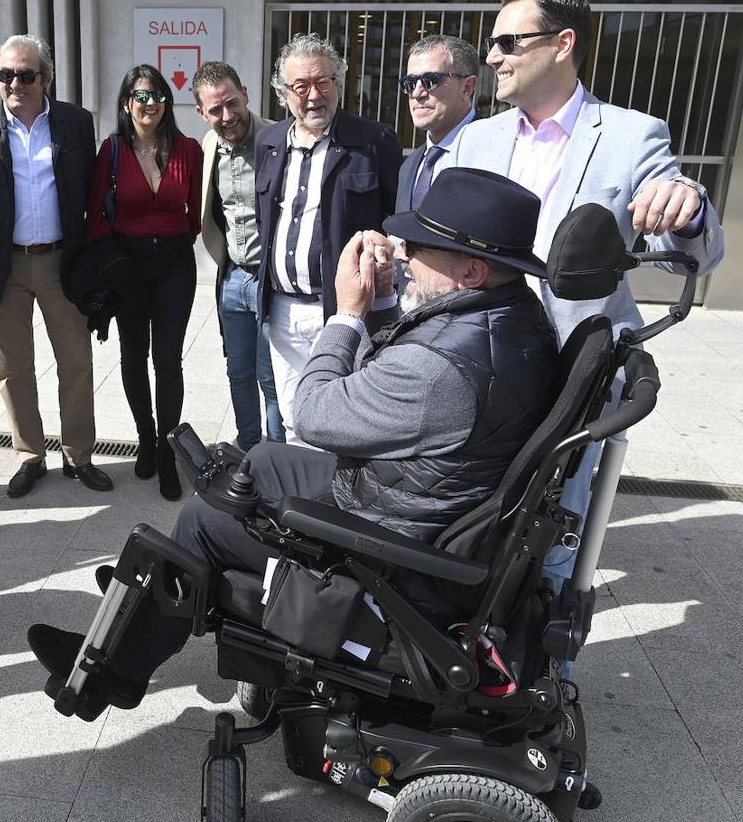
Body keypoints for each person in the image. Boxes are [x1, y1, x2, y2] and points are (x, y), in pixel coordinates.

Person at [29, 167, 562, 713]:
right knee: (256, 462)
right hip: (414, 503)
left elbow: (310, 411)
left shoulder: (441, 369)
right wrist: (381, 305)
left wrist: (349, 313)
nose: (405, 255)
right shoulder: (512, 318)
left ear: (471, 271)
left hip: (398, 549)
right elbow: (393, 384)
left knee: (204, 522)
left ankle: (117, 672)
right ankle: (154, 603)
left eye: (422, 247)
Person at [447, 0, 724, 585]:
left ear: (562, 44)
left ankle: (547, 666)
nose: (492, 57)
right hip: (478, 365)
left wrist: (690, 209)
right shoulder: (475, 140)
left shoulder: (632, 136)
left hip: (572, 377)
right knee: (469, 523)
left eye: (507, 42)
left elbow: (694, 259)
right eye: (491, 43)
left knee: (551, 537)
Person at [0, 35, 111, 499]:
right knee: (13, 367)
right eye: (6, 75)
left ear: (46, 77)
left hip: (64, 262)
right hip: (5, 265)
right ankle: (29, 455)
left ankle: (78, 455)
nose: (15, 83)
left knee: (76, 363)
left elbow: (89, 188)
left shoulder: (76, 123)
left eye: (26, 74)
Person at [255, 33, 402, 443]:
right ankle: (298, 501)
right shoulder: (268, 142)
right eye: (300, 86)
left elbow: (394, 219)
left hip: (343, 311)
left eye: (323, 82)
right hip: (282, 310)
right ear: (283, 93)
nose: (313, 95)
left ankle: (333, 503)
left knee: (342, 421)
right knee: (291, 416)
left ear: (339, 82)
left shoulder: (374, 142)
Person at [85, 64, 202, 500]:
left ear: (167, 103)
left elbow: (194, 212)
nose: (150, 102)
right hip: (128, 268)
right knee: (133, 355)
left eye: (157, 95)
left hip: (174, 266)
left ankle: (169, 453)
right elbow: (96, 215)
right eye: (140, 95)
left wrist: (166, 242)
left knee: (168, 361)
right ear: (125, 103)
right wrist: (111, 269)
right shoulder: (112, 149)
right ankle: (146, 439)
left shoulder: (188, 149)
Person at [192, 61, 284, 452]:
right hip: (232, 279)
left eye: (232, 103)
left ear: (245, 93)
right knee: (238, 371)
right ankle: (248, 444)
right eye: (215, 110)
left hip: (272, 281)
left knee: (271, 375)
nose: (227, 117)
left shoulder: (280, 139)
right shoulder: (208, 145)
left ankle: (277, 452)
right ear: (202, 112)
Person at [397, 35, 478, 213]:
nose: (417, 93)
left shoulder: (498, 152)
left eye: (430, 81)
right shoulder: (408, 167)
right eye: (409, 83)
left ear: (467, 87)